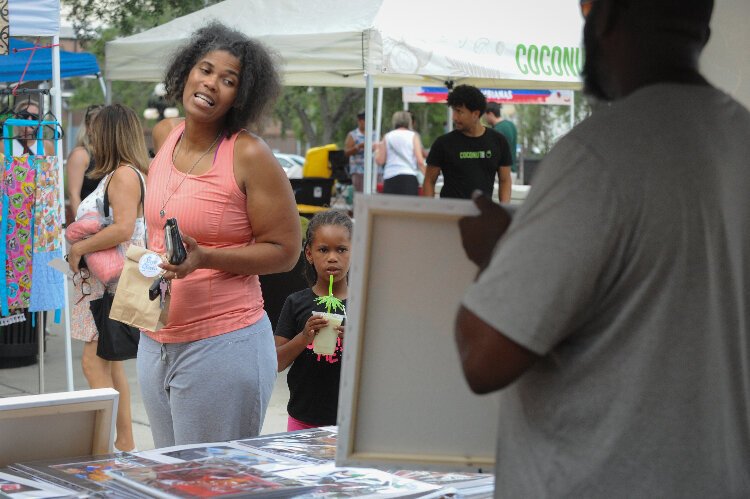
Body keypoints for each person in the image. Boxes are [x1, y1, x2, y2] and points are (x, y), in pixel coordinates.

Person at [455, 0, 750, 496]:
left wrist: (498, 255)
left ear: (607, 19)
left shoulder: (600, 154)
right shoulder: (740, 136)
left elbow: (485, 358)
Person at [140, 22, 301, 448]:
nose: (211, 84)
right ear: (186, 71)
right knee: (170, 480)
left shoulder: (248, 154)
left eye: (228, 80)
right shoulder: (165, 135)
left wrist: (206, 257)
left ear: (240, 96)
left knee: (210, 486)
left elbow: (286, 251)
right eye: (205, 70)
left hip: (221, 345)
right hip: (153, 338)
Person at [67, 104, 149, 453]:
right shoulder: (121, 173)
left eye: (98, 130)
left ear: (110, 133)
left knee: (92, 361)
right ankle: (123, 440)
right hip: (109, 284)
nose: (92, 137)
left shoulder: (124, 175)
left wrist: (79, 248)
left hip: (111, 285)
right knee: (110, 362)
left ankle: (103, 448)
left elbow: (123, 228)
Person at [274, 210, 352, 431]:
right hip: (303, 419)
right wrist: (303, 337)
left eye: (342, 249)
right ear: (309, 253)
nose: (332, 257)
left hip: (350, 424)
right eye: (323, 250)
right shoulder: (295, 303)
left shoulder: (365, 305)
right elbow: (277, 362)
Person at [422, 85, 512, 201]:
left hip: (482, 214)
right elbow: (429, 180)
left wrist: (504, 211)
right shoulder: (443, 143)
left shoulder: (498, 141)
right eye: (454, 110)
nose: (454, 117)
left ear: (475, 114)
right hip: (450, 214)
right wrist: (430, 211)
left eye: (459, 112)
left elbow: (505, 180)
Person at [375, 111, 425, 196]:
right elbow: (420, 161)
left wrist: (377, 150)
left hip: (390, 177)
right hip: (409, 177)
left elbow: (380, 161)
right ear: (409, 122)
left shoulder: (387, 136)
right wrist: (428, 178)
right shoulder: (413, 136)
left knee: (392, 208)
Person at [66, 105, 103, 217]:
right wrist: (82, 225)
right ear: (88, 127)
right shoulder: (81, 154)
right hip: (89, 221)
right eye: (96, 123)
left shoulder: (113, 154)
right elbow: (73, 195)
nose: (101, 127)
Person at [484, 103, 517, 174]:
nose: (484, 118)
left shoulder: (497, 130)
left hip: (501, 172)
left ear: (490, 114)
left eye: (485, 115)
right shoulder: (511, 125)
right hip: (511, 170)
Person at [343, 110, 370, 193]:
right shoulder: (353, 135)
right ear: (359, 121)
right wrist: (359, 146)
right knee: (360, 194)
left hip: (374, 171)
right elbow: (346, 152)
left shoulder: (374, 133)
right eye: (363, 121)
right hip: (358, 171)